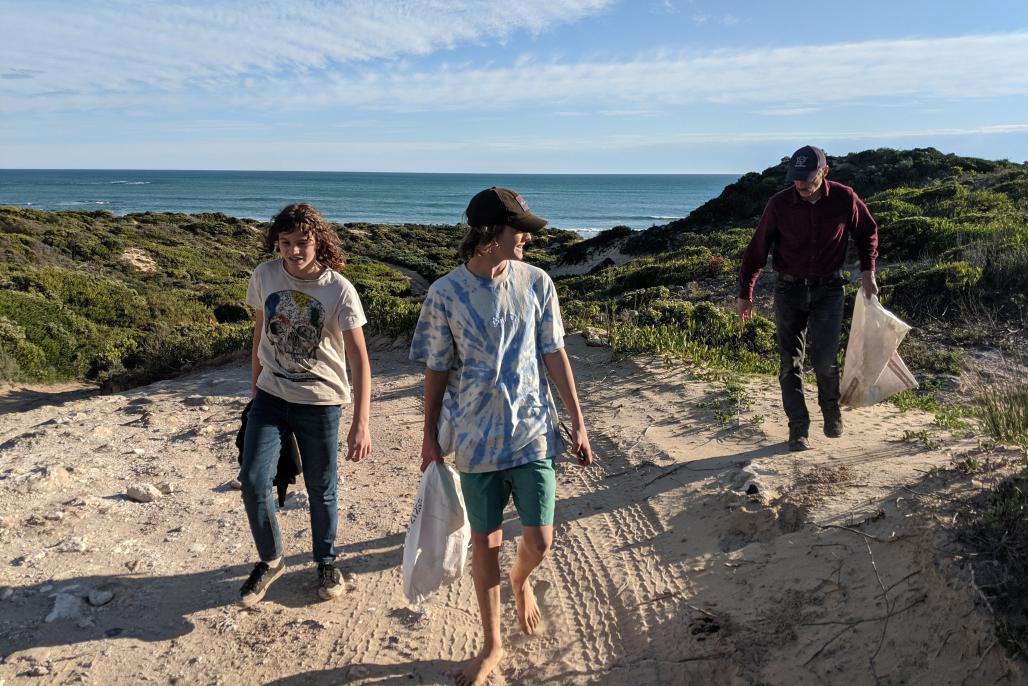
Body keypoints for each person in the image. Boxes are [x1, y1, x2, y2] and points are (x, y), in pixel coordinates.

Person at [410, 187, 593, 686]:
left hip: (533, 430)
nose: (528, 240)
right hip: (474, 437)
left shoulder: (537, 283)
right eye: (521, 230)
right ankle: (492, 645)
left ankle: (522, 580)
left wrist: (577, 419)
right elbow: (437, 370)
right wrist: (429, 437)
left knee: (540, 538)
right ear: (491, 234)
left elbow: (554, 353)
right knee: (485, 543)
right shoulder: (444, 293)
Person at [238, 203, 372, 606]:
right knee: (253, 480)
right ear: (275, 243)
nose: (294, 251)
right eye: (285, 243)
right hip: (271, 396)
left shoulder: (338, 290)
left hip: (321, 402)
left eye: (302, 243)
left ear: (318, 242)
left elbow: (360, 360)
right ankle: (271, 559)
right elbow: (261, 331)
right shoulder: (265, 275)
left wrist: (361, 422)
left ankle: (326, 560)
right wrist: (255, 391)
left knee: (321, 487)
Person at [737, 145, 879, 451]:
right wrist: (745, 294)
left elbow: (867, 232)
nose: (800, 184)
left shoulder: (844, 197)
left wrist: (868, 274)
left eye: (807, 177)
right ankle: (798, 428)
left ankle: (831, 410)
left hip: (829, 291)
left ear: (824, 172)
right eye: (796, 177)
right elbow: (756, 251)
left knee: (825, 361)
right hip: (788, 291)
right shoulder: (778, 205)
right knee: (790, 363)